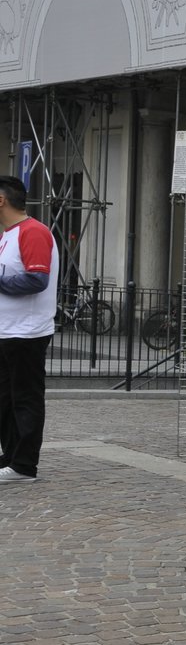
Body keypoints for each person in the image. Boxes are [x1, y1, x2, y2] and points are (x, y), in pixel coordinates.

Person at [0, 175, 57, 485]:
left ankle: (23, 465)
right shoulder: (10, 234)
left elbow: (37, 281)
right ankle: (11, 457)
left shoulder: (33, 232)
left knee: (24, 398)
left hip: (26, 333)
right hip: (9, 332)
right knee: (6, 399)